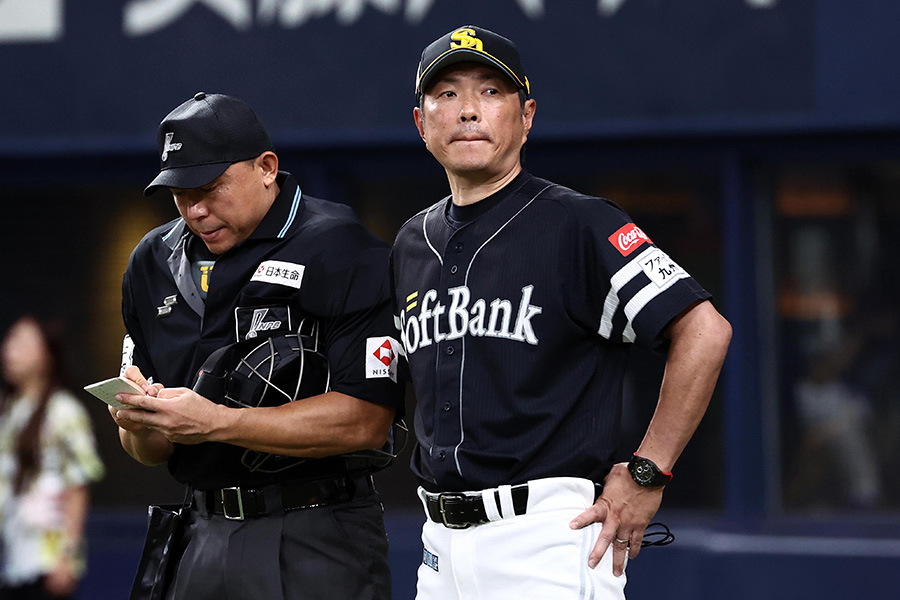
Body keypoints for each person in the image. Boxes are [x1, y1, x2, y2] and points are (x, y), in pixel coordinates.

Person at [390, 26, 733, 599]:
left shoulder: (579, 224)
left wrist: (648, 472)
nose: (469, 110)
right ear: (422, 123)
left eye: (490, 93)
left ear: (526, 117)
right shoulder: (410, 241)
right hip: (438, 545)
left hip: (546, 535)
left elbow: (704, 329)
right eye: (446, 94)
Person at [107, 92, 404, 600]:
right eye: (179, 192)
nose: (195, 209)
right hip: (200, 531)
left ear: (266, 168)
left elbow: (366, 421)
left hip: (317, 531)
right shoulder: (150, 263)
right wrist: (137, 422)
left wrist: (216, 423)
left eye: (211, 186)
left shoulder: (338, 246)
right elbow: (150, 451)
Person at [0, 316, 105, 599]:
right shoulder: (9, 411)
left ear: (47, 354)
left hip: (46, 562)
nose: (9, 350)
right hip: (12, 558)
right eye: (9, 341)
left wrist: (67, 558)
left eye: (21, 343)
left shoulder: (65, 412)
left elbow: (78, 487)